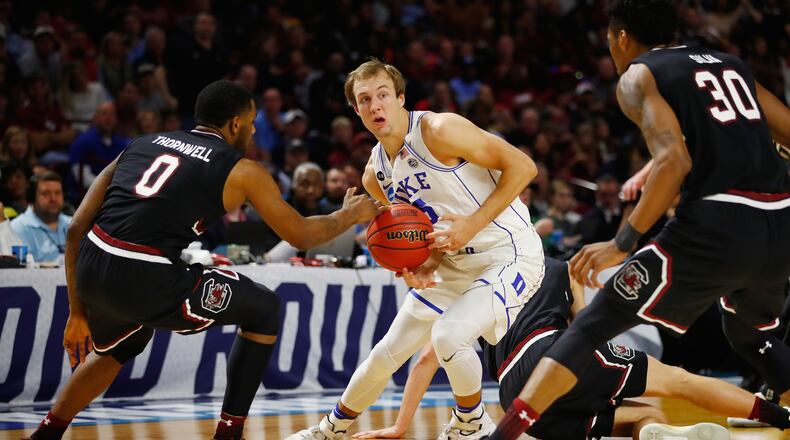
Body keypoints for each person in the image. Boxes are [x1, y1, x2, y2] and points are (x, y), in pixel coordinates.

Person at [488, 1, 790, 438]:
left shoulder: (639, 74)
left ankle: (505, 434)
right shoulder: (731, 65)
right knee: (749, 334)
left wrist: (621, 243)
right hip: (779, 226)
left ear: (622, 37)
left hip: (718, 227)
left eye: (610, 40)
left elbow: (673, 161)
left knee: (592, 325)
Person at [22, 80, 383, 440]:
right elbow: (301, 234)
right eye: (252, 120)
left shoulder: (142, 143)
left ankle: (47, 433)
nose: (256, 129)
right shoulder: (241, 170)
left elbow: (76, 229)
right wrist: (349, 215)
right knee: (264, 308)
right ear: (235, 124)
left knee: (125, 342)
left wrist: (77, 312)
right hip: (146, 276)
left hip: (92, 265)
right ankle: (229, 434)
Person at [288, 59, 543, 440]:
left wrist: (472, 224)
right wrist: (426, 264)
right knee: (388, 351)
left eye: (383, 95)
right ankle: (330, 430)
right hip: (454, 261)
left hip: (509, 252)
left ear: (401, 98)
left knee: (447, 337)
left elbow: (524, 167)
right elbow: (423, 233)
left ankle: (472, 421)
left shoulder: (440, 130)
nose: (375, 105)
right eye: (365, 99)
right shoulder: (375, 174)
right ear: (356, 110)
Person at [353, 258, 790, 440]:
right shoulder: (558, 268)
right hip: (554, 356)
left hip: (517, 398)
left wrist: (400, 425)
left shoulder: (478, 288)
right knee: (678, 381)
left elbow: (428, 358)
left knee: (638, 417)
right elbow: (585, 326)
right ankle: (780, 416)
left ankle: (659, 433)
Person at [10, 171, 70, 264]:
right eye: (46, 193)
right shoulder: (17, 228)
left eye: (58, 193)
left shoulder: (73, 224)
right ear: (32, 197)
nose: (53, 198)